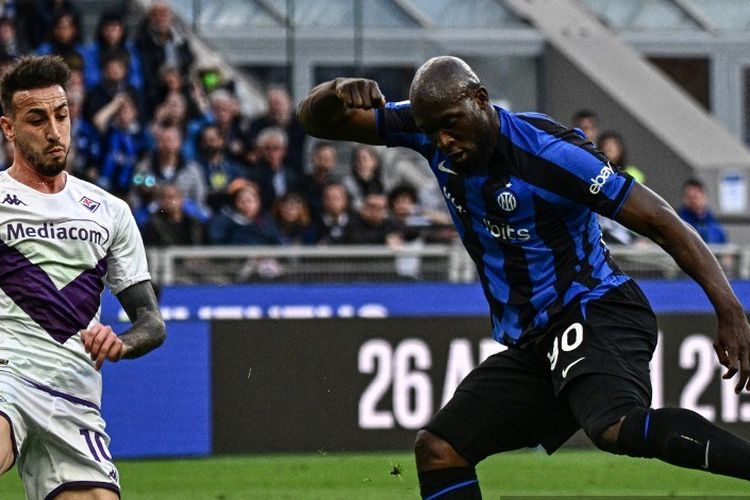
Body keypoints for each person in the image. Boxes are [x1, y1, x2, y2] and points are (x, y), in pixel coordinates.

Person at [299, 56, 750, 499]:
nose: (444, 140)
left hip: (595, 309)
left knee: (614, 428)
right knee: (440, 450)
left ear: (480, 99)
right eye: (433, 130)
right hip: (535, 340)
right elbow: (318, 122)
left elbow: (661, 220)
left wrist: (729, 308)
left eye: (452, 124)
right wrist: (334, 92)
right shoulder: (428, 127)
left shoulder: (550, 153)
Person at [0, 55, 165, 499]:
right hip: (6, 376)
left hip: (74, 394)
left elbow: (152, 322)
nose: (55, 132)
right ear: (9, 128)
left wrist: (123, 342)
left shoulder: (109, 211)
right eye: (37, 119)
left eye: (62, 115)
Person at [678, 177, 728, 244]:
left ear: (705, 196)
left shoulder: (715, 225)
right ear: (684, 199)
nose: (694, 200)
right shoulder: (678, 223)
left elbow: (725, 249)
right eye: (690, 197)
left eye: (696, 196)